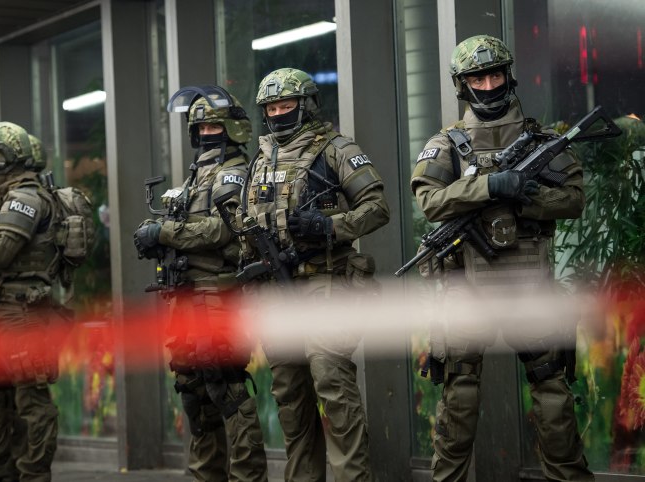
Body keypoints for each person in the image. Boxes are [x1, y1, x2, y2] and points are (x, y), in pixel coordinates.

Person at [410, 35, 594, 481]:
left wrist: (527, 196)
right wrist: (491, 187)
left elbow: (573, 200)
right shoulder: (447, 144)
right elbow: (429, 202)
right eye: (478, 77)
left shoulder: (541, 140)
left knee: (551, 388)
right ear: (462, 84)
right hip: (464, 286)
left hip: (528, 282)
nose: (488, 85)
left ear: (508, 76)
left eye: (495, 75)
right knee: (460, 395)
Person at [240, 68, 390, 482]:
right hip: (276, 292)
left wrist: (331, 227)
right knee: (290, 399)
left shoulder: (337, 149)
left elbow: (377, 207)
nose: (279, 113)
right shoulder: (259, 159)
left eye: (287, 105)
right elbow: (244, 225)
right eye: (271, 107)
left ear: (307, 106)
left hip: (326, 284)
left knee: (334, 390)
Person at [134, 85, 268, 482]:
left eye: (214, 126)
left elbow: (222, 231)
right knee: (193, 392)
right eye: (201, 127)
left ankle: (248, 477)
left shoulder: (235, 171)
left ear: (232, 129)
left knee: (225, 387)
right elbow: (183, 225)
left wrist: (165, 233)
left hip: (219, 295)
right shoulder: (195, 176)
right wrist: (153, 231)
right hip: (186, 296)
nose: (207, 133)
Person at [0, 122, 62, 482]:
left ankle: (33, 474)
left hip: (21, 314)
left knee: (31, 401)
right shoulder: (6, 197)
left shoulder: (25, 198)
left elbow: (1, 252)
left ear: (3, 157)